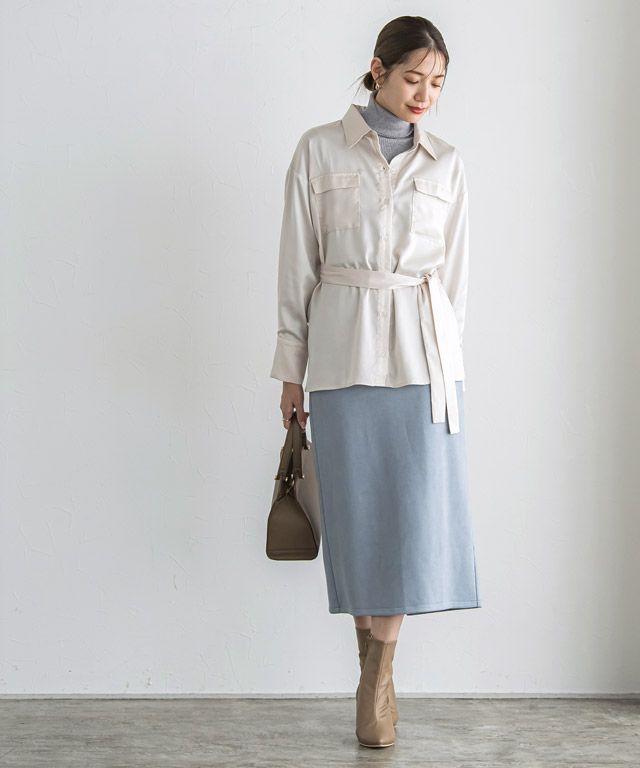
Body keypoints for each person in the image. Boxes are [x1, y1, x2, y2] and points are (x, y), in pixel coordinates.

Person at [269, 15, 482, 748]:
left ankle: (378, 681)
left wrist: (450, 365)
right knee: (359, 521)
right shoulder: (318, 150)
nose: (424, 94)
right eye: (413, 77)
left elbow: (454, 283)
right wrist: (290, 369)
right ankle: (372, 673)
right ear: (378, 69)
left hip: (423, 364)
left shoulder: (447, 165)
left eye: (437, 83)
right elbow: (297, 266)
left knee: (410, 521)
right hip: (341, 357)